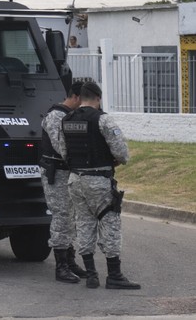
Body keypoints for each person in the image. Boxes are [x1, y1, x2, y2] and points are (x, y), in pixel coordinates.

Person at [59, 81, 140, 290]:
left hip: (75, 180)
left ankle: (92, 274)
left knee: (84, 224)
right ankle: (114, 275)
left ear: (81, 97)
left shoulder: (66, 119)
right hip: (98, 180)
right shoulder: (103, 120)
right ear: (98, 98)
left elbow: (63, 151)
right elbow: (122, 153)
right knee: (110, 223)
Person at [39, 81, 87, 283]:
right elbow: (62, 147)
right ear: (75, 97)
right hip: (57, 173)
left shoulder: (71, 116)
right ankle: (61, 267)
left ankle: (70, 260)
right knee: (62, 217)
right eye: (84, 100)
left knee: (72, 217)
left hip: (69, 172)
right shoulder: (56, 116)